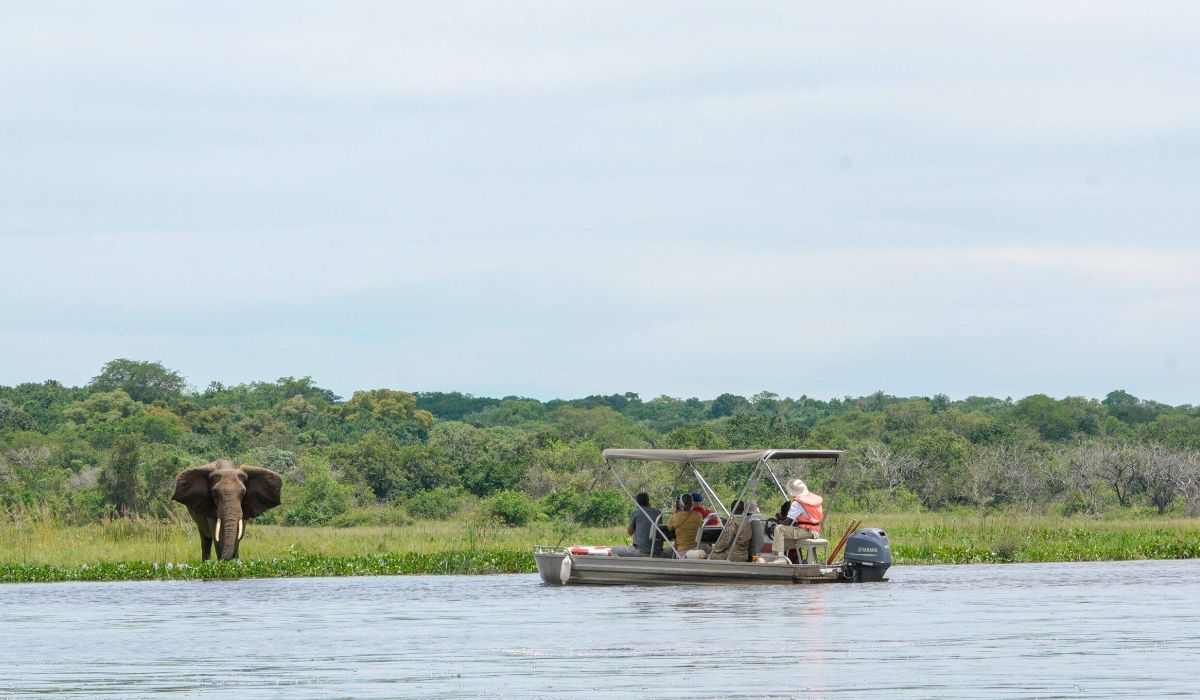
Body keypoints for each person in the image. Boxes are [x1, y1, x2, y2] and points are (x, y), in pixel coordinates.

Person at [770, 479, 823, 559]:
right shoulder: (814, 500)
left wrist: (775, 527)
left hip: (806, 532)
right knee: (783, 542)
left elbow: (788, 521)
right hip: (815, 532)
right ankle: (781, 559)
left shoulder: (798, 503)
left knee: (779, 529)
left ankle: (779, 559)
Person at [613, 492, 661, 557]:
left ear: (637, 503)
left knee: (614, 549)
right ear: (648, 501)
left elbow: (630, 533)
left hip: (641, 551)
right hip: (657, 551)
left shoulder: (636, 512)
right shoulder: (658, 513)